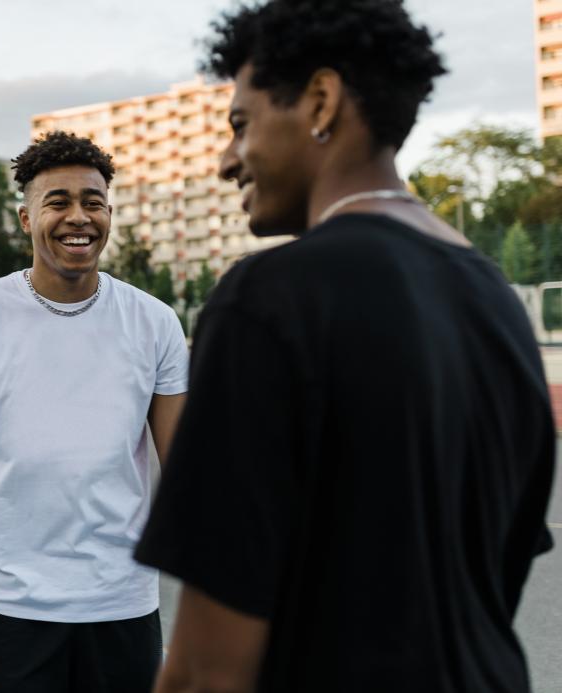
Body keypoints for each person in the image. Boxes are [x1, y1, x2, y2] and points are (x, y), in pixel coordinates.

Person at [135, 1, 557, 692]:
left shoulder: (269, 297)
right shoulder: (497, 299)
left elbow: (207, 673)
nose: (225, 161)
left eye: (240, 124)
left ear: (321, 101)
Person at [0, 130, 188, 692]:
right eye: (58, 202)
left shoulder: (156, 322)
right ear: (25, 219)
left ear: (109, 214)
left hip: (123, 605)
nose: (79, 217)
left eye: (93, 203)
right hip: (12, 610)